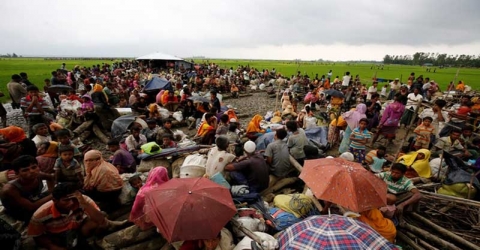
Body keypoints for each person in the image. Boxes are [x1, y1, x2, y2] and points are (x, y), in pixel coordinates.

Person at [27, 183, 126, 250]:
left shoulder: (82, 200)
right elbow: (39, 238)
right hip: (59, 236)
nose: (71, 203)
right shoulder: (41, 214)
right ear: (55, 200)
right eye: (66, 200)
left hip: (79, 227)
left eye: (73, 199)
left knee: (100, 221)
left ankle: (94, 240)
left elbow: (101, 220)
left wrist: (83, 202)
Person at [0, 156, 53, 223]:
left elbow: (50, 177)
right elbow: (31, 207)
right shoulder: (10, 189)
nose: (32, 171)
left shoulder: (38, 175)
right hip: (21, 212)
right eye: (25, 170)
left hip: (34, 200)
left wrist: (51, 191)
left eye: (34, 167)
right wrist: (54, 194)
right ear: (17, 173)